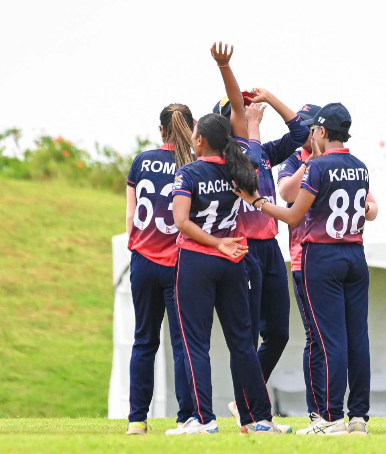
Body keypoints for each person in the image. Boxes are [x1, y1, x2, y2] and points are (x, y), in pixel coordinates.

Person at [234, 103, 378, 435]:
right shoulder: (360, 166)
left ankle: (329, 417)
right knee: (357, 337)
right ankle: (358, 416)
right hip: (355, 253)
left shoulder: (316, 166)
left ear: (322, 131)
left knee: (328, 339)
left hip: (321, 255)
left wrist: (257, 202)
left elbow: (293, 215)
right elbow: (368, 208)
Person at [167, 42, 285, 435]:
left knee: (196, 342)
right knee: (242, 343)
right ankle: (259, 417)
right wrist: (224, 67)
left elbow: (181, 222)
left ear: (200, 140)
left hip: (198, 260)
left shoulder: (188, 173)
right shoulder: (240, 168)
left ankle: (204, 420)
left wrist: (215, 243)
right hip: (234, 261)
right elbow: (237, 107)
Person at [223, 89, 308, 424]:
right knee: (246, 335)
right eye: (242, 111)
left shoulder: (263, 150)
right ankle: (251, 411)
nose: (250, 113)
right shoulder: (226, 154)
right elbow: (251, 168)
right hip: (242, 247)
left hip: (270, 247)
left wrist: (271, 99)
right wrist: (254, 128)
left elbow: (299, 134)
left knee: (279, 334)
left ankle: (244, 398)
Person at [123, 104, 196, 435]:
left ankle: (137, 420)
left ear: (162, 130)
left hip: (143, 260)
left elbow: (130, 215)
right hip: (178, 264)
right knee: (183, 344)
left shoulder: (141, 161)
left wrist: (138, 248)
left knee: (144, 341)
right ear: (191, 129)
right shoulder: (192, 165)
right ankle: (186, 418)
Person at [276, 103, 323, 421]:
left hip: (332, 256)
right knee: (314, 338)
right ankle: (317, 412)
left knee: (336, 338)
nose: (305, 133)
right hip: (302, 260)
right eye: (301, 127)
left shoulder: (337, 160)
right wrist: (310, 163)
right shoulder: (293, 159)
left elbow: (371, 208)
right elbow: (286, 193)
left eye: (311, 127)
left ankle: (343, 412)